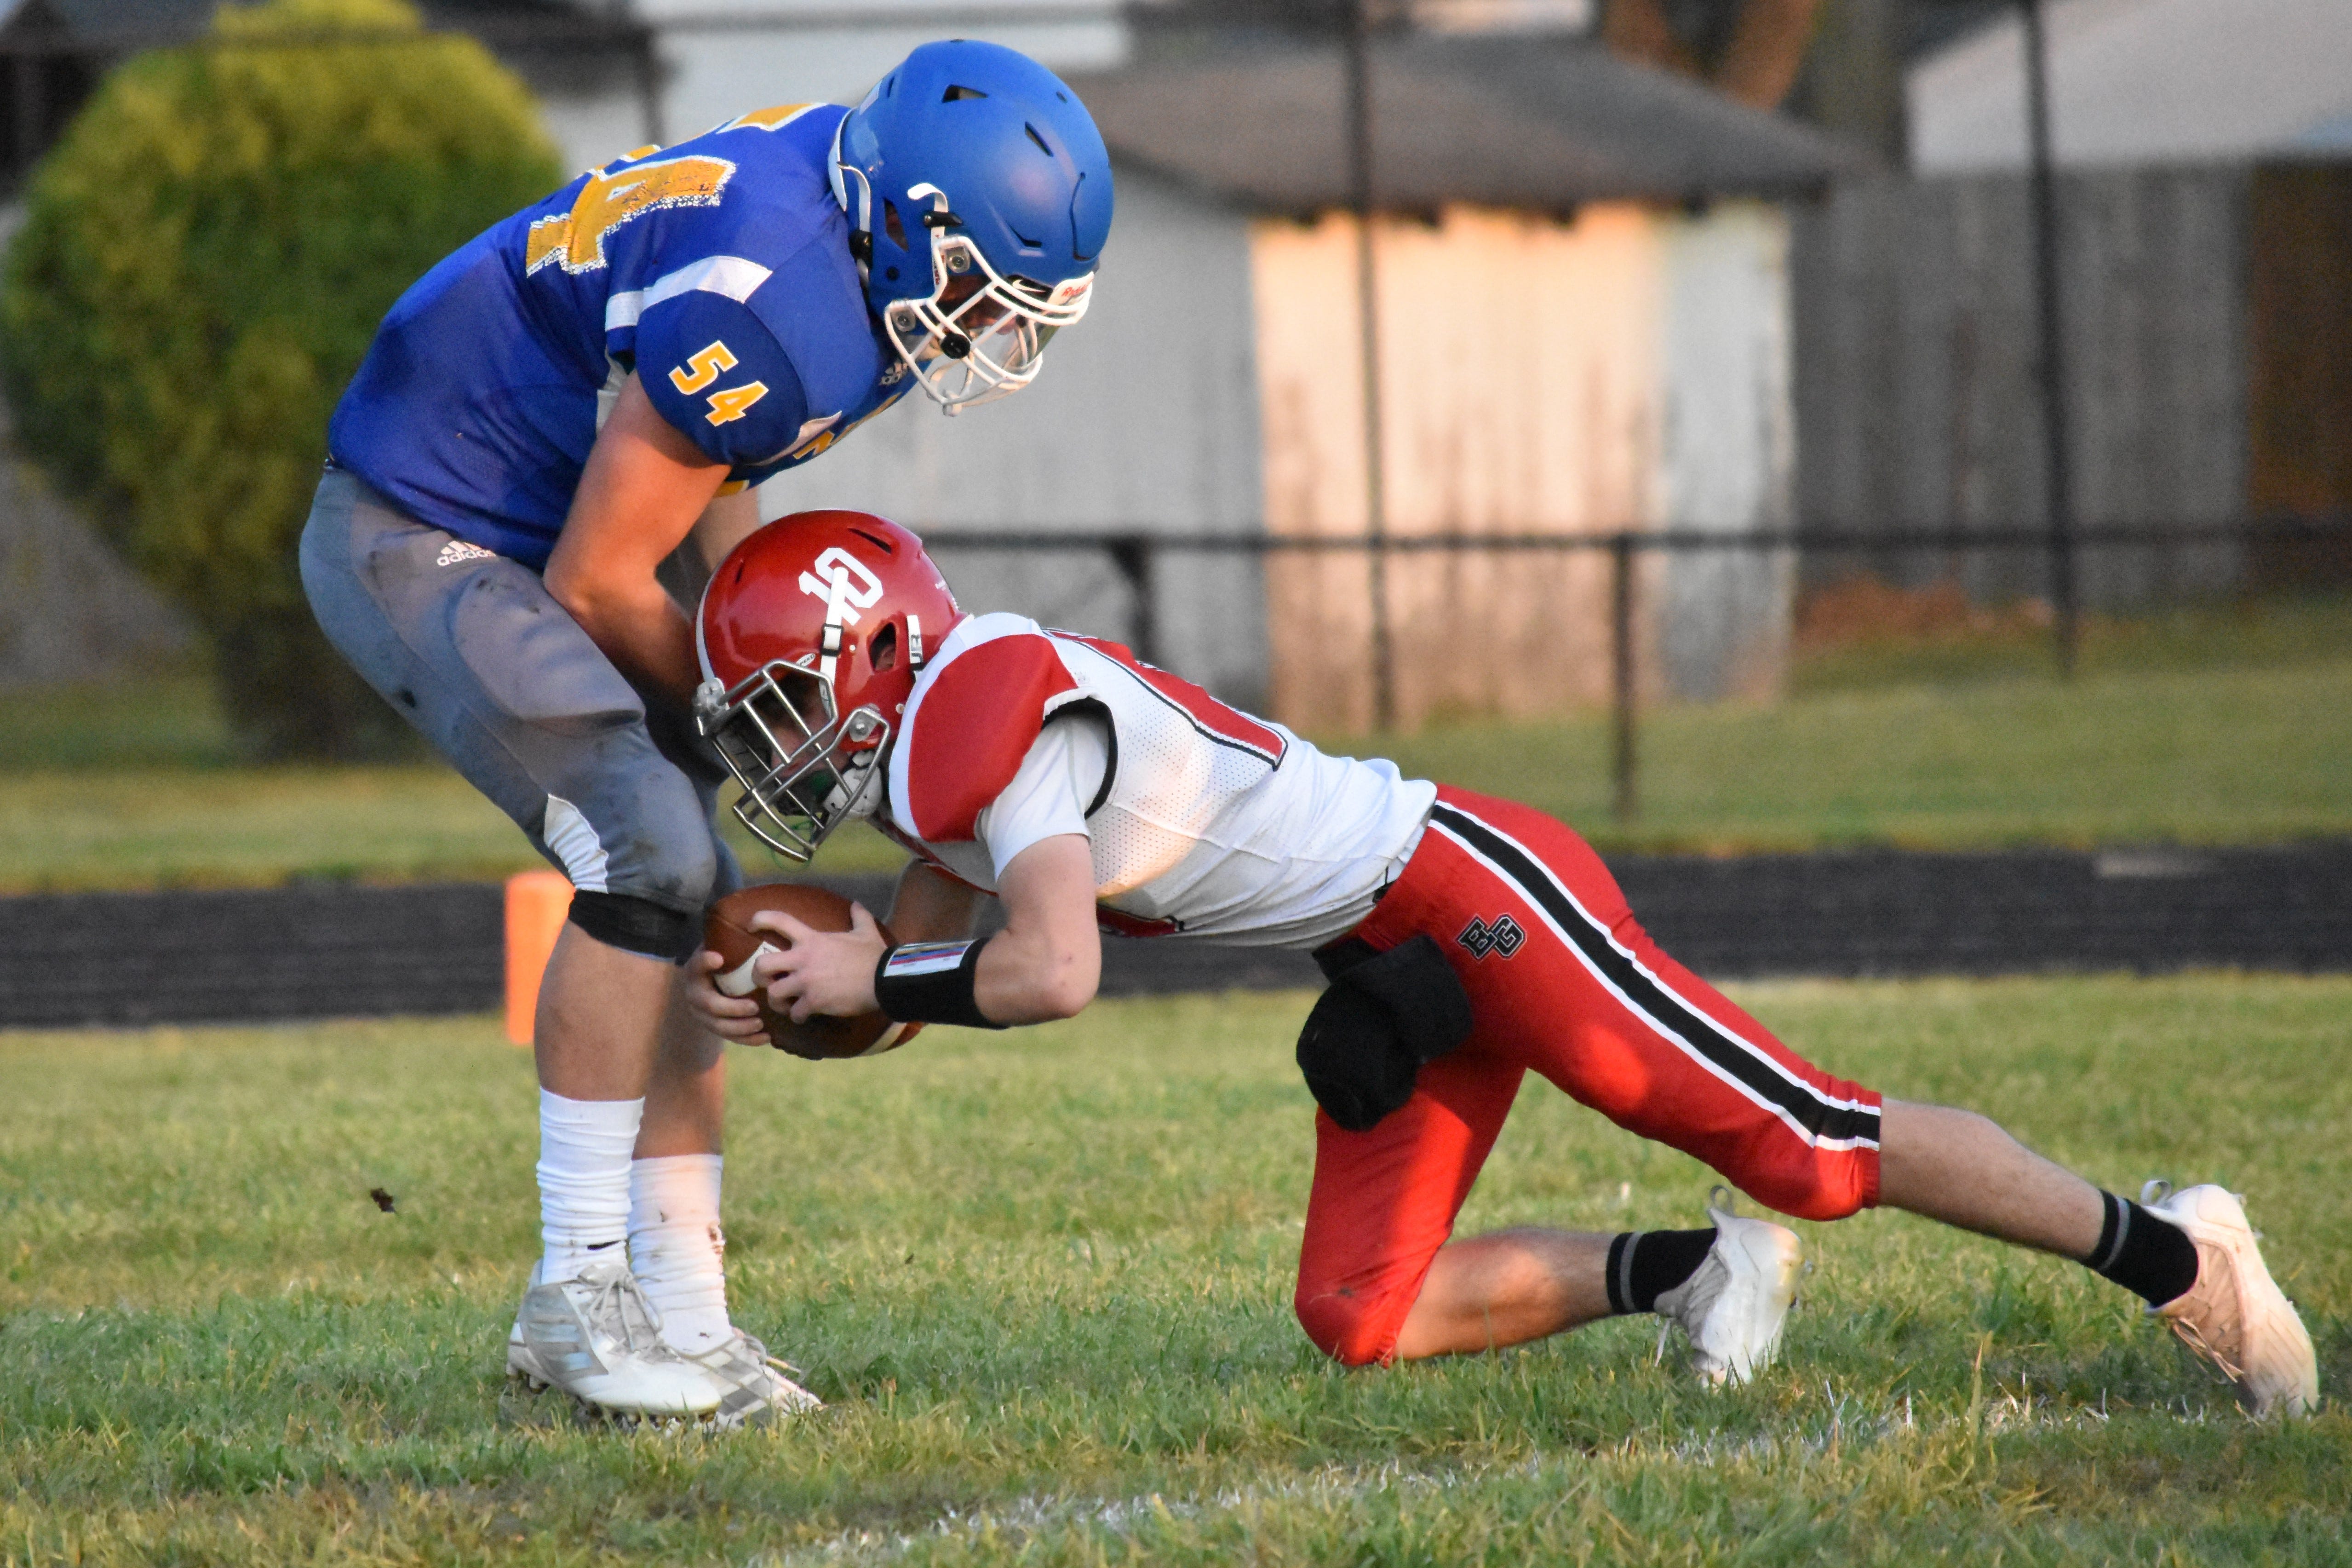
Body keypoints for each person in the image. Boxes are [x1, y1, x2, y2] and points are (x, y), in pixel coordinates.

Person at [682, 514, 2319, 1419]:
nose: (780, 746)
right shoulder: (941, 761)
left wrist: (877, 989)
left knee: (1810, 1148)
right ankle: (1690, 1272)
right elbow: (916, 955)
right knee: (1358, 1310)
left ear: (874, 656)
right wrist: (790, 997)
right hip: (1384, 956)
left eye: (782, 703)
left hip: (1467, 891)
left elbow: (1044, 973)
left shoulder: (998, 725)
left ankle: (2178, 1255)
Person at [298, 40, 1114, 1424]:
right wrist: (741, 724)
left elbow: (715, 454)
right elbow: (598, 578)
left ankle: (680, 1306)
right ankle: (575, 1295)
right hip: (423, 526)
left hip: (538, 515)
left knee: (700, 889)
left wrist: (753, 661)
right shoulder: (781, 294)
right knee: (651, 850)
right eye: (978, 289)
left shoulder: (846, 237)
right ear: (910, 228)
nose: (988, 332)